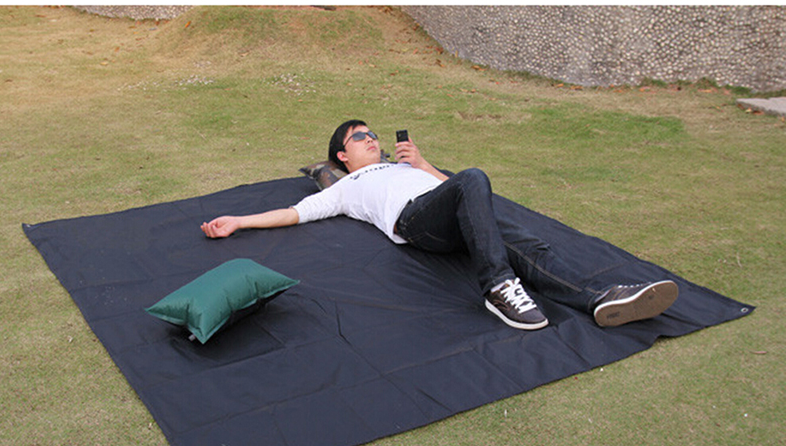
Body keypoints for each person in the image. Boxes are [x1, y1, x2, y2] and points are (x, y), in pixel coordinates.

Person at [201, 119, 678, 330]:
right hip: (417, 224)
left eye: (373, 133)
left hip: (446, 210)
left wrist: (424, 163)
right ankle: (498, 289)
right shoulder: (346, 187)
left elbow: (464, 195)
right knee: (474, 176)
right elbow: (294, 213)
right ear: (342, 156)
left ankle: (599, 300)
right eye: (360, 137)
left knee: (527, 245)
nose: (372, 139)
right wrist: (238, 221)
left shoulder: (405, 167)